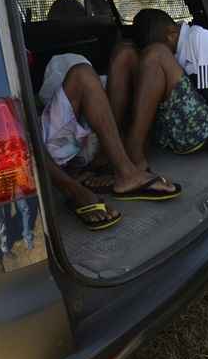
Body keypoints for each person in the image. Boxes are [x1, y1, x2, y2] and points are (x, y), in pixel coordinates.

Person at [39, 53, 181, 230]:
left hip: (87, 151)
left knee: (124, 54)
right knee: (82, 74)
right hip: (55, 154)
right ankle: (97, 182)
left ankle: (113, 166)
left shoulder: (99, 90)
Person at [107, 9, 208, 170]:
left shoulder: (199, 39)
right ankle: (111, 146)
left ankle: (134, 152)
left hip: (200, 129)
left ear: (171, 33)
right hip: (166, 127)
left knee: (157, 54)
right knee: (124, 53)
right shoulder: (167, 43)